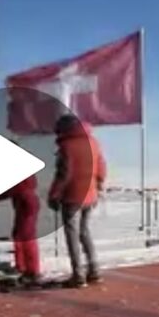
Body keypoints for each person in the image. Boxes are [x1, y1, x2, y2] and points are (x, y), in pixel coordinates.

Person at [48, 115, 106, 288]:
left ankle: (78, 275)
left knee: (72, 235)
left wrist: (54, 195)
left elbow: (64, 174)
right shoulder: (94, 142)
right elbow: (102, 167)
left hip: (72, 196)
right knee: (84, 232)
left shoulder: (67, 146)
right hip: (91, 195)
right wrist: (99, 185)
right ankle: (94, 270)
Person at [0, 169, 41, 285]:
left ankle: (32, 270)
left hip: (26, 204)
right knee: (19, 234)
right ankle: (22, 266)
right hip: (25, 203)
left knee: (26, 236)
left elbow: (12, 189)